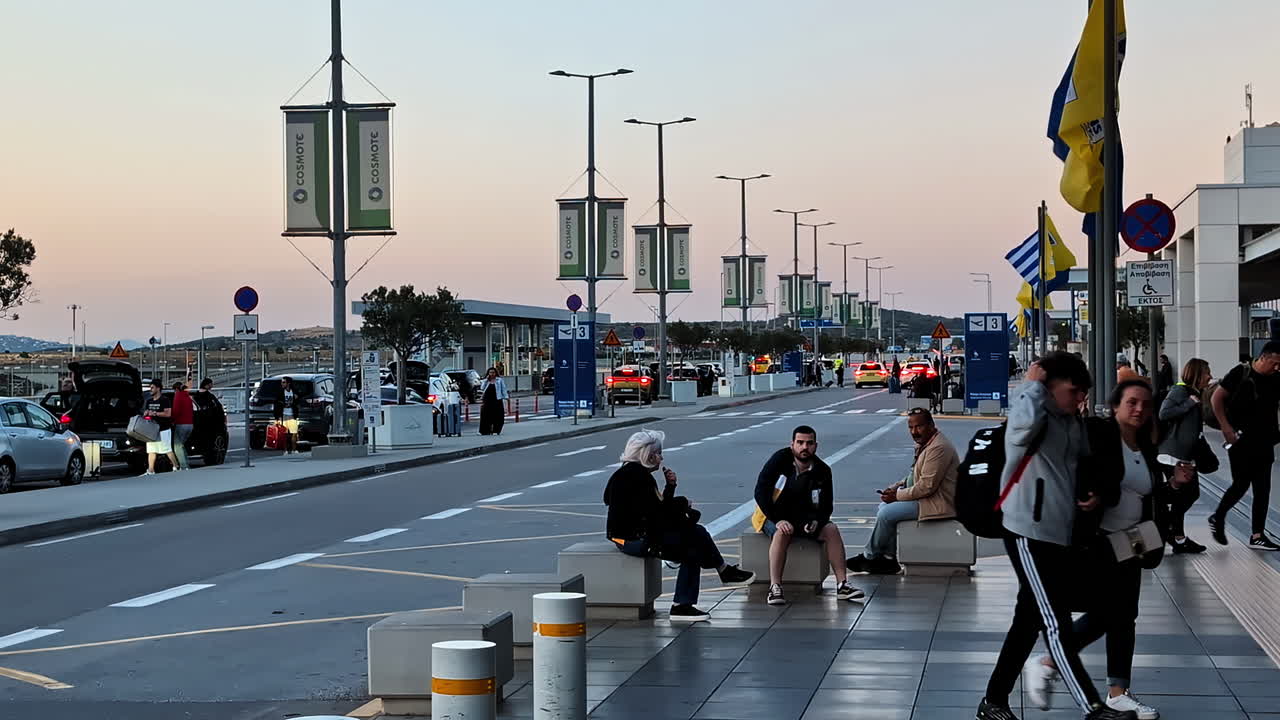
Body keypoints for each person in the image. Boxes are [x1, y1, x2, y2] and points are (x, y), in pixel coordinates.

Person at [978, 352, 1137, 720]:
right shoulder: (1028, 409)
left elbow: (1081, 463)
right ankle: (1093, 707)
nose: (1080, 398)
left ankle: (993, 701)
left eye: (1084, 392)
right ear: (1049, 386)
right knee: (1055, 620)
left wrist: (1094, 492)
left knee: (1028, 621)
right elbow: (1020, 426)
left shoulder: (1070, 421)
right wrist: (1032, 384)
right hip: (1027, 530)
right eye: (1073, 390)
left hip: (1058, 532)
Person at [1025, 380, 1167, 720]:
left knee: (1125, 615)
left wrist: (1174, 483)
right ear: (1115, 406)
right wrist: (1094, 495)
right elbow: (1078, 470)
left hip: (1134, 538)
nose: (1139, 410)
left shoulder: (1145, 446)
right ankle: (1050, 660)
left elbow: (1146, 493)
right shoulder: (1099, 437)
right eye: (1132, 403)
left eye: (1146, 405)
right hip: (1098, 538)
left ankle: (1118, 691)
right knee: (1109, 611)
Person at [603, 429, 754, 621]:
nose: (661, 457)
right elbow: (656, 514)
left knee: (697, 531)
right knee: (691, 550)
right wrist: (683, 503)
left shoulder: (629, 473)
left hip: (638, 534)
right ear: (649, 455)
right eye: (658, 453)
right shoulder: (636, 477)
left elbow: (653, 509)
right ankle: (683, 605)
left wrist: (670, 487)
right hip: (633, 539)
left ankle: (723, 571)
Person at [752, 425, 864, 605]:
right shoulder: (779, 460)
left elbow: (827, 506)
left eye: (809, 443)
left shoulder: (823, 471)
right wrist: (778, 519)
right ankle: (775, 588)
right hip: (772, 515)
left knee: (831, 529)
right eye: (800, 443)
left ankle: (843, 584)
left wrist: (816, 522)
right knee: (782, 532)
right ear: (792, 444)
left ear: (816, 446)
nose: (805, 447)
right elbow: (760, 492)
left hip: (802, 518)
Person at [846, 408, 959, 576]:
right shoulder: (926, 443)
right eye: (911, 427)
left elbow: (926, 486)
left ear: (931, 425)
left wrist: (897, 496)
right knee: (883, 508)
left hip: (938, 502)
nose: (914, 432)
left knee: (887, 513)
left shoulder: (938, 447)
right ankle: (888, 558)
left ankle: (869, 556)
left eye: (919, 427)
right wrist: (896, 487)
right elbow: (913, 476)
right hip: (926, 499)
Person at [1208, 341, 1280, 550]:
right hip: (1240, 439)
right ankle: (1218, 516)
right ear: (1263, 357)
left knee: (1263, 488)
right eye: (1274, 363)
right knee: (1241, 483)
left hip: (1265, 440)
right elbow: (1216, 398)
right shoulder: (1241, 372)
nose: (1277, 368)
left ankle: (1257, 535)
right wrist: (1226, 428)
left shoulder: (1276, 378)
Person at [1157, 358, 1212, 554]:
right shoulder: (1181, 390)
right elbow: (1164, 413)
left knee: (1187, 494)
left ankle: (1176, 536)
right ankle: (1174, 534)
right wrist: (1188, 403)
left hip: (1184, 456)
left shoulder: (1196, 393)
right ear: (1197, 374)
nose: (1210, 376)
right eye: (1207, 372)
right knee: (1184, 494)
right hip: (1173, 455)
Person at [142, 379, 179, 476]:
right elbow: (146, 414)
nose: (151, 390)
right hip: (152, 429)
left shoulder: (164, 400)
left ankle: (176, 466)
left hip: (163, 429)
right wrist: (146, 414)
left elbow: (168, 414)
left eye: (152, 387)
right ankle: (150, 470)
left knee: (167, 449)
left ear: (158, 388)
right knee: (151, 450)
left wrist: (155, 413)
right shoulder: (149, 401)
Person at [170, 381, 194, 471]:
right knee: (181, 445)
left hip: (181, 424)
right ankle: (185, 463)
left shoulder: (178, 395)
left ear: (176, 389)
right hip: (190, 424)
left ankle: (184, 466)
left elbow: (176, 410)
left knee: (177, 446)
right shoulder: (187, 396)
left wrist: (172, 420)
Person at [273, 376, 301, 455]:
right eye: (282, 382)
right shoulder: (280, 392)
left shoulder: (294, 392)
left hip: (292, 415)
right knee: (284, 434)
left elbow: (299, 401)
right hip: (283, 415)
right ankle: (285, 450)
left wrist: (297, 398)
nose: (282, 384)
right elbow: (276, 404)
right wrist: (276, 417)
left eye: (284, 382)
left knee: (294, 433)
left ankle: (294, 450)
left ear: (288, 383)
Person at [478, 368, 508, 436]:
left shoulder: (499, 380)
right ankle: (484, 431)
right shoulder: (486, 380)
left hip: (497, 399)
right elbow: (482, 388)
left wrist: (506, 397)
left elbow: (503, 389)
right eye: (490, 372)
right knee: (485, 415)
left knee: (497, 416)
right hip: (487, 400)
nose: (492, 374)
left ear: (496, 373)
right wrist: (486, 380)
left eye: (493, 372)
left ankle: (496, 430)